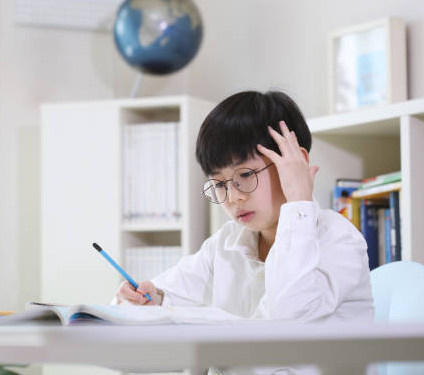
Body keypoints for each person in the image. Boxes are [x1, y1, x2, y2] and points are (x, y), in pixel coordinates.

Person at [114, 90, 374, 322]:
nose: (232, 197)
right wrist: (149, 297)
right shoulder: (227, 242)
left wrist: (299, 200)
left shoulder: (339, 239)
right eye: (219, 184)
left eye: (246, 175)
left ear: (294, 162)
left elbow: (289, 315)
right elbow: (167, 292)